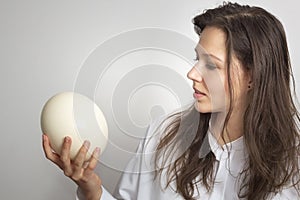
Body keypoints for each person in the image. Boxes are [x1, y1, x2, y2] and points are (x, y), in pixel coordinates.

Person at [42, 2, 300, 200]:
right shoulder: (161, 134)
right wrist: (92, 189)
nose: (192, 73)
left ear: (252, 77)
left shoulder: (292, 165)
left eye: (211, 64)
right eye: (197, 58)